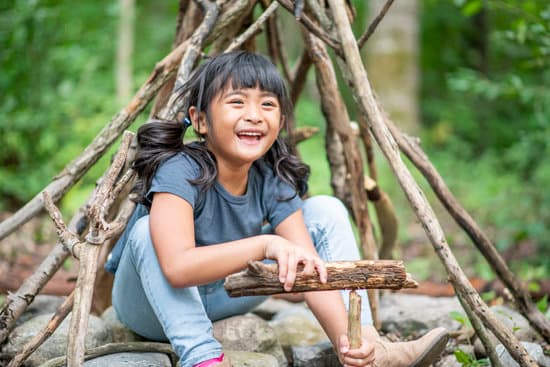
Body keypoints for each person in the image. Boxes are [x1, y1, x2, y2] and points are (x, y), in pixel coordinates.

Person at [105, 51, 449, 367]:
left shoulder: (273, 174)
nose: (254, 116)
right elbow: (177, 268)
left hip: (228, 294)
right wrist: (264, 245)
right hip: (150, 304)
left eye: (267, 105)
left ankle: (370, 349)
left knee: (325, 211)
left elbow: (310, 268)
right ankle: (203, 358)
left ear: (281, 119)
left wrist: (350, 345)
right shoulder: (179, 169)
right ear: (201, 120)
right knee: (145, 230)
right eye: (237, 102)